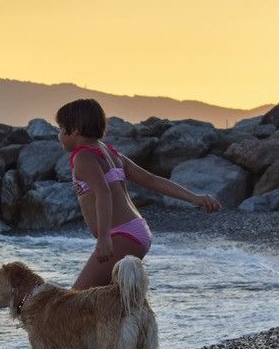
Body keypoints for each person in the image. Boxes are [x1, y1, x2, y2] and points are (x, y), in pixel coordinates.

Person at [55, 98, 221, 291]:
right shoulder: (109, 152)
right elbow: (150, 179)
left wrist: (103, 238)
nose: (59, 136)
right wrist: (195, 197)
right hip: (136, 231)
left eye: (60, 128)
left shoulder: (84, 157)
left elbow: (104, 194)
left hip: (121, 236)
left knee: (76, 298)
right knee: (104, 302)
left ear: (74, 129)